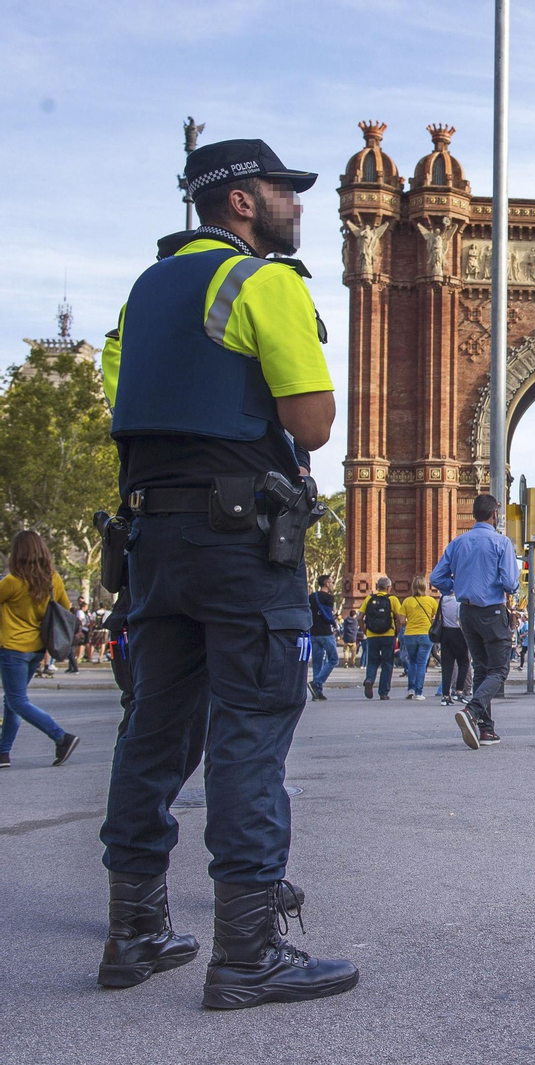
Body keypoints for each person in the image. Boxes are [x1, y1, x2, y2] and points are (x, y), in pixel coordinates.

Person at [96, 138, 356, 1007]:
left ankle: (133, 933)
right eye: (284, 189)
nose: (296, 203)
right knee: (249, 731)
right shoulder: (263, 282)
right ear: (241, 200)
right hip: (240, 543)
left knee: (154, 731)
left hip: (151, 542)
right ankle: (248, 952)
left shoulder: (142, 293)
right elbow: (312, 424)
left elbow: (129, 404)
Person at [429, 493, 520, 750]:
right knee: (499, 670)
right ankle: (472, 710)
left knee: (480, 668)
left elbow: (436, 578)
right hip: (492, 612)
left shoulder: (458, 543)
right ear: (494, 515)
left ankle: (486, 729)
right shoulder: (502, 543)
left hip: (466, 613)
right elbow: (510, 583)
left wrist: (456, 587)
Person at [0, 531, 80, 769]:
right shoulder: (53, 580)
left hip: (12, 648)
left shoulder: (12, 582)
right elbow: (65, 608)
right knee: (12, 700)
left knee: (17, 700)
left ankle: (61, 737)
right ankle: (3, 753)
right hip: (38, 648)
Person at [360, 577, 402, 701]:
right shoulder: (393, 599)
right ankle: (383, 692)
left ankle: (369, 679)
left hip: (372, 635)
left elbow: (359, 617)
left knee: (372, 661)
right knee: (387, 663)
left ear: (377, 587)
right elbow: (400, 619)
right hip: (388, 635)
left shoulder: (369, 599)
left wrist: (365, 630)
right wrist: (397, 633)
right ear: (388, 588)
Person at [398, 577, 438, 701]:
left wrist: (410, 622)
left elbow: (401, 620)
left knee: (412, 662)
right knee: (422, 663)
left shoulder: (407, 601)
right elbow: (437, 617)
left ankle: (410, 688)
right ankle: (418, 692)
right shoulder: (431, 601)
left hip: (410, 634)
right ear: (424, 587)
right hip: (426, 634)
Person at [307, 574, 338, 701]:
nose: (332, 585)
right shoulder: (328, 598)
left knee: (317, 663)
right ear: (326, 584)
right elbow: (329, 614)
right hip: (326, 633)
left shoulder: (311, 597)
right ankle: (317, 683)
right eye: (331, 582)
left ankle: (317, 693)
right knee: (333, 659)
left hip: (313, 632)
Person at [436, 592, 470, 705]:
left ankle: (445, 696)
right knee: (464, 663)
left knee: (447, 666)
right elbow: (460, 620)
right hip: (458, 633)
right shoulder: (459, 601)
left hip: (445, 632)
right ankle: (459, 691)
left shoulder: (443, 599)